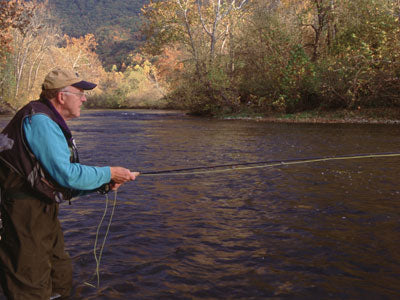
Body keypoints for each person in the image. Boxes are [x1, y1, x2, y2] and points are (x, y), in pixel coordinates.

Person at [0, 68, 139, 299]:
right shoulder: (40, 121)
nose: (84, 98)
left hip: (41, 209)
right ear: (61, 97)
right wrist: (109, 172)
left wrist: (103, 184)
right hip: (23, 213)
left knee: (59, 274)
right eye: (80, 93)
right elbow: (65, 175)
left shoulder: (46, 120)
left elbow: (54, 181)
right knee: (29, 282)